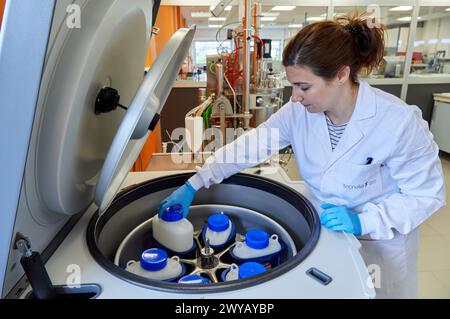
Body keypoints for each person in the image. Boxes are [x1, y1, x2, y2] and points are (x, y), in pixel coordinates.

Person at [158, 13, 446, 298]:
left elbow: (426, 195)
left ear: (341, 74)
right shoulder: (299, 112)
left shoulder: (397, 122)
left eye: (303, 86)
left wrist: (364, 221)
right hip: (325, 232)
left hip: (380, 244)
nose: (294, 96)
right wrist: (196, 182)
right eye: (293, 85)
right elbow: (253, 144)